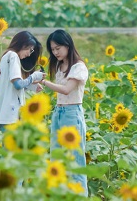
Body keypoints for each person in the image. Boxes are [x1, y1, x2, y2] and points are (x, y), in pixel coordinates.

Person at [40, 29, 89, 196]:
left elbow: (67, 90)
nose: (55, 52)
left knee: (75, 160)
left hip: (72, 113)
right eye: (53, 49)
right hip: (59, 112)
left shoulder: (79, 67)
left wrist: (45, 82)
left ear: (68, 45)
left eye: (58, 48)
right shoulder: (60, 66)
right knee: (56, 158)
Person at [0, 31, 45, 133]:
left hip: (4, 113)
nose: (29, 54)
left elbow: (11, 87)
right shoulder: (13, 56)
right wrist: (34, 76)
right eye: (30, 50)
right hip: (10, 115)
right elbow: (17, 85)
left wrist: (31, 86)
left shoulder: (5, 57)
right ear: (23, 45)